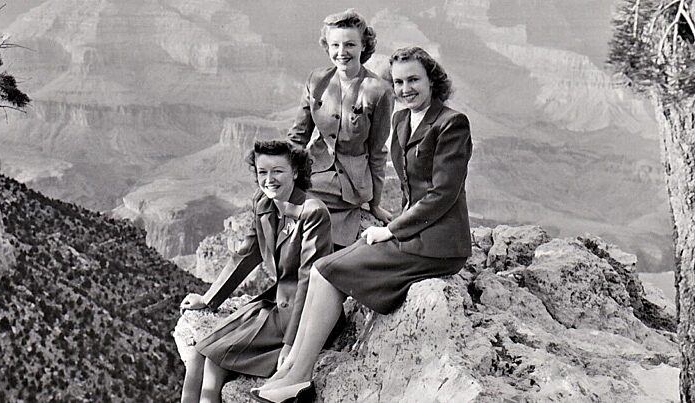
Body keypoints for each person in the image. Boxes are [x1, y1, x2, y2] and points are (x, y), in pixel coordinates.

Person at [250, 47, 473, 403]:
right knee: (324, 268)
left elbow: (442, 195)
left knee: (331, 270)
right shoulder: (402, 121)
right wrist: (388, 216)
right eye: (398, 82)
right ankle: (292, 367)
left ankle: (298, 376)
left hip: (439, 244)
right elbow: (410, 191)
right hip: (412, 232)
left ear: (433, 80)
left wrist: (392, 230)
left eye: (414, 79)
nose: (405, 89)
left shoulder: (451, 124)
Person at [174, 140, 332, 403]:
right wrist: (209, 299)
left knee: (214, 364)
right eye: (262, 172)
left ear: (295, 172)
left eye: (277, 171)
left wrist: (292, 347)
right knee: (197, 356)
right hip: (272, 306)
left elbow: (309, 283)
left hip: (302, 318)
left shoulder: (313, 213)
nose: (269, 179)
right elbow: (247, 254)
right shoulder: (264, 204)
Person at [287, 8, 394, 249]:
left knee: (298, 200)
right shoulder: (317, 81)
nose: (341, 52)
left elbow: (377, 152)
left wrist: (375, 203)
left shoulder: (378, 91)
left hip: (351, 182)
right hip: (314, 169)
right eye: (335, 45)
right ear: (327, 46)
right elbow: (298, 136)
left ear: (363, 46)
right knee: (269, 194)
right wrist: (282, 169)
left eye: (349, 45)